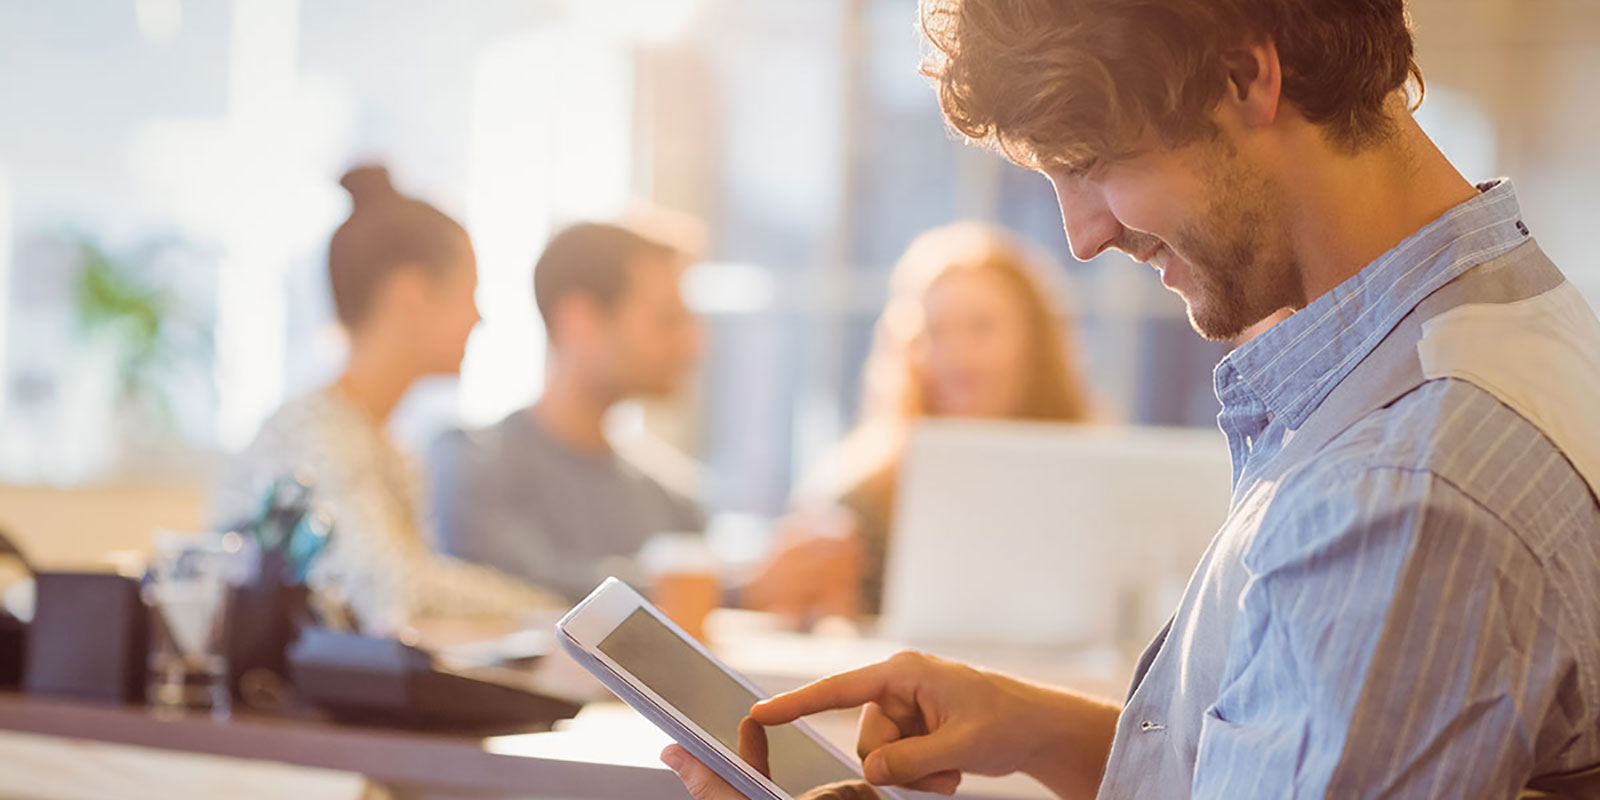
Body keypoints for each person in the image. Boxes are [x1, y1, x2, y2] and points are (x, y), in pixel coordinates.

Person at [666, 0, 1600, 798]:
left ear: (1245, 77)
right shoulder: (1493, 330)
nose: (1081, 234)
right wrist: (1046, 732)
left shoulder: (1405, 486)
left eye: (1090, 162)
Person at [212, 166, 558, 635]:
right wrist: (561, 617)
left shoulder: (386, 444)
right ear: (410, 295)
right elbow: (393, 592)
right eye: (468, 294)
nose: (479, 318)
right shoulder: (312, 435)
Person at [743, 222, 1093, 622]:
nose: (955, 358)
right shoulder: (857, 499)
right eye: (935, 333)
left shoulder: (1093, 485)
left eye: (981, 329)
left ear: (1035, 346)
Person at [428, 222, 706, 603]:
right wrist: (723, 589)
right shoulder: (474, 466)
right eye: (667, 320)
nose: (692, 344)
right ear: (580, 321)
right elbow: (525, 586)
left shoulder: (671, 501)